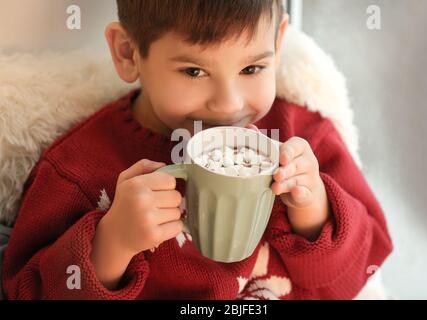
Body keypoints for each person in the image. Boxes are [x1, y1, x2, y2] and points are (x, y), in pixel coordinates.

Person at [2, 0, 392, 299]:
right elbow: (24, 290)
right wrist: (111, 244)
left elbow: (364, 268)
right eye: (193, 71)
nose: (228, 103)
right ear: (127, 53)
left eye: (252, 69)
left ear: (278, 42)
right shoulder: (79, 170)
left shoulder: (303, 140)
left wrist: (314, 209)